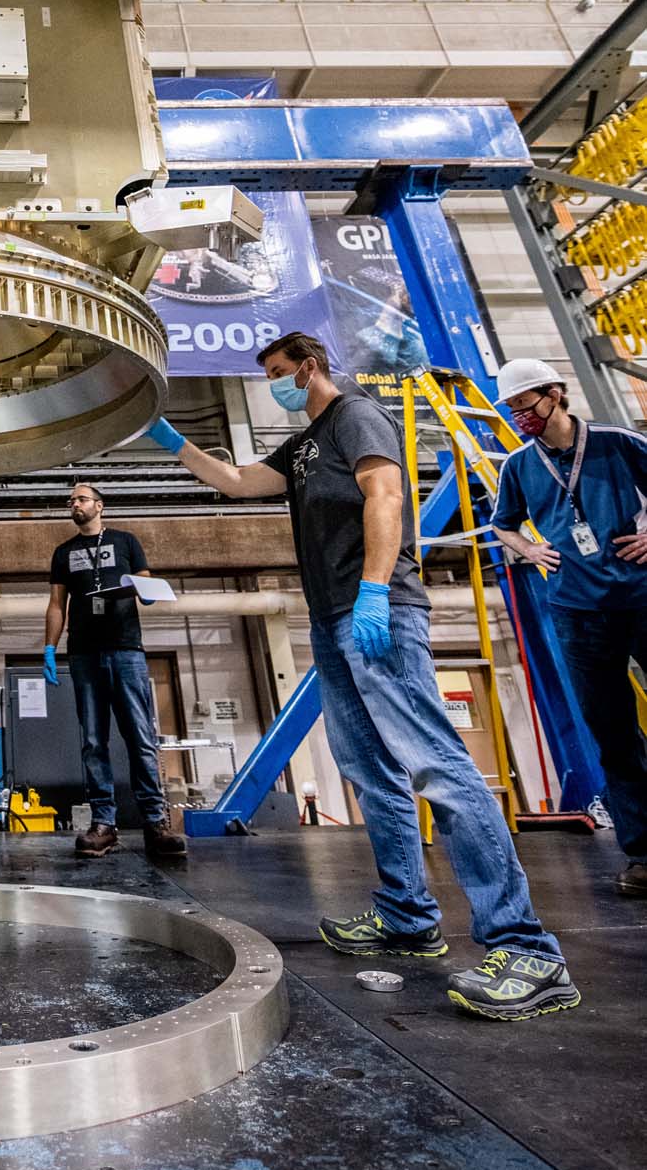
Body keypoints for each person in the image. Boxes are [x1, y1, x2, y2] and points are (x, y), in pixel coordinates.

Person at [146, 330, 579, 1023]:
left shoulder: (354, 415)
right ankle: (408, 917)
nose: (275, 387)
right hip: (330, 617)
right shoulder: (306, 441)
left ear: (310, 366)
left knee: (435, 766)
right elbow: (236, 482)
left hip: (373, 608)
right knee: (370, 770)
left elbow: (384, 494)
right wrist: (171, 441)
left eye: (280, 373)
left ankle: (527, 950)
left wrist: (376, 588)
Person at [490, 357, 647, 899]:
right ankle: (644, 853)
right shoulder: (518, 467)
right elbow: (502, 525)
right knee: (613, 733)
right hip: (577, 613)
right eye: (511, 411)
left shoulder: (616, 441)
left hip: (642, 597)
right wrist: (529, 548)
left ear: (554, 394)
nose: (519, 418)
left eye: (525, 406)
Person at [44, 483, 186, 864]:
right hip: (84, 655)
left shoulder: (126, 541)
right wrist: (49, 647)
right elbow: (57, 604)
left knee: (140, 737)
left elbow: (147, 584)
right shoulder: (64, 552)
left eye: (81, 499)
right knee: (93, 740)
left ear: (99, 506)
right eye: (71, 500)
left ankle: (156, 822)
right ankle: (103, 823)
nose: (74, 504)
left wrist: (146, 590)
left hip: (126, 651)